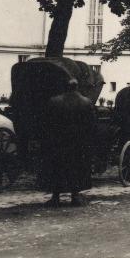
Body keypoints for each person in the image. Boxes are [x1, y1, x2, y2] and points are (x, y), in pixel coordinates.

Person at [41, 79, 95, 207]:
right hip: (78, 142)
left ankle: (55, 197)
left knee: (57, 167)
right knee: (77, 167)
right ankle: (75, 196)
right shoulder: (86, 102)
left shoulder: (54, 101)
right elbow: (91, 124)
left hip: (58, 142)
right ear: (77, 87)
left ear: (65, 87)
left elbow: (47, 123)